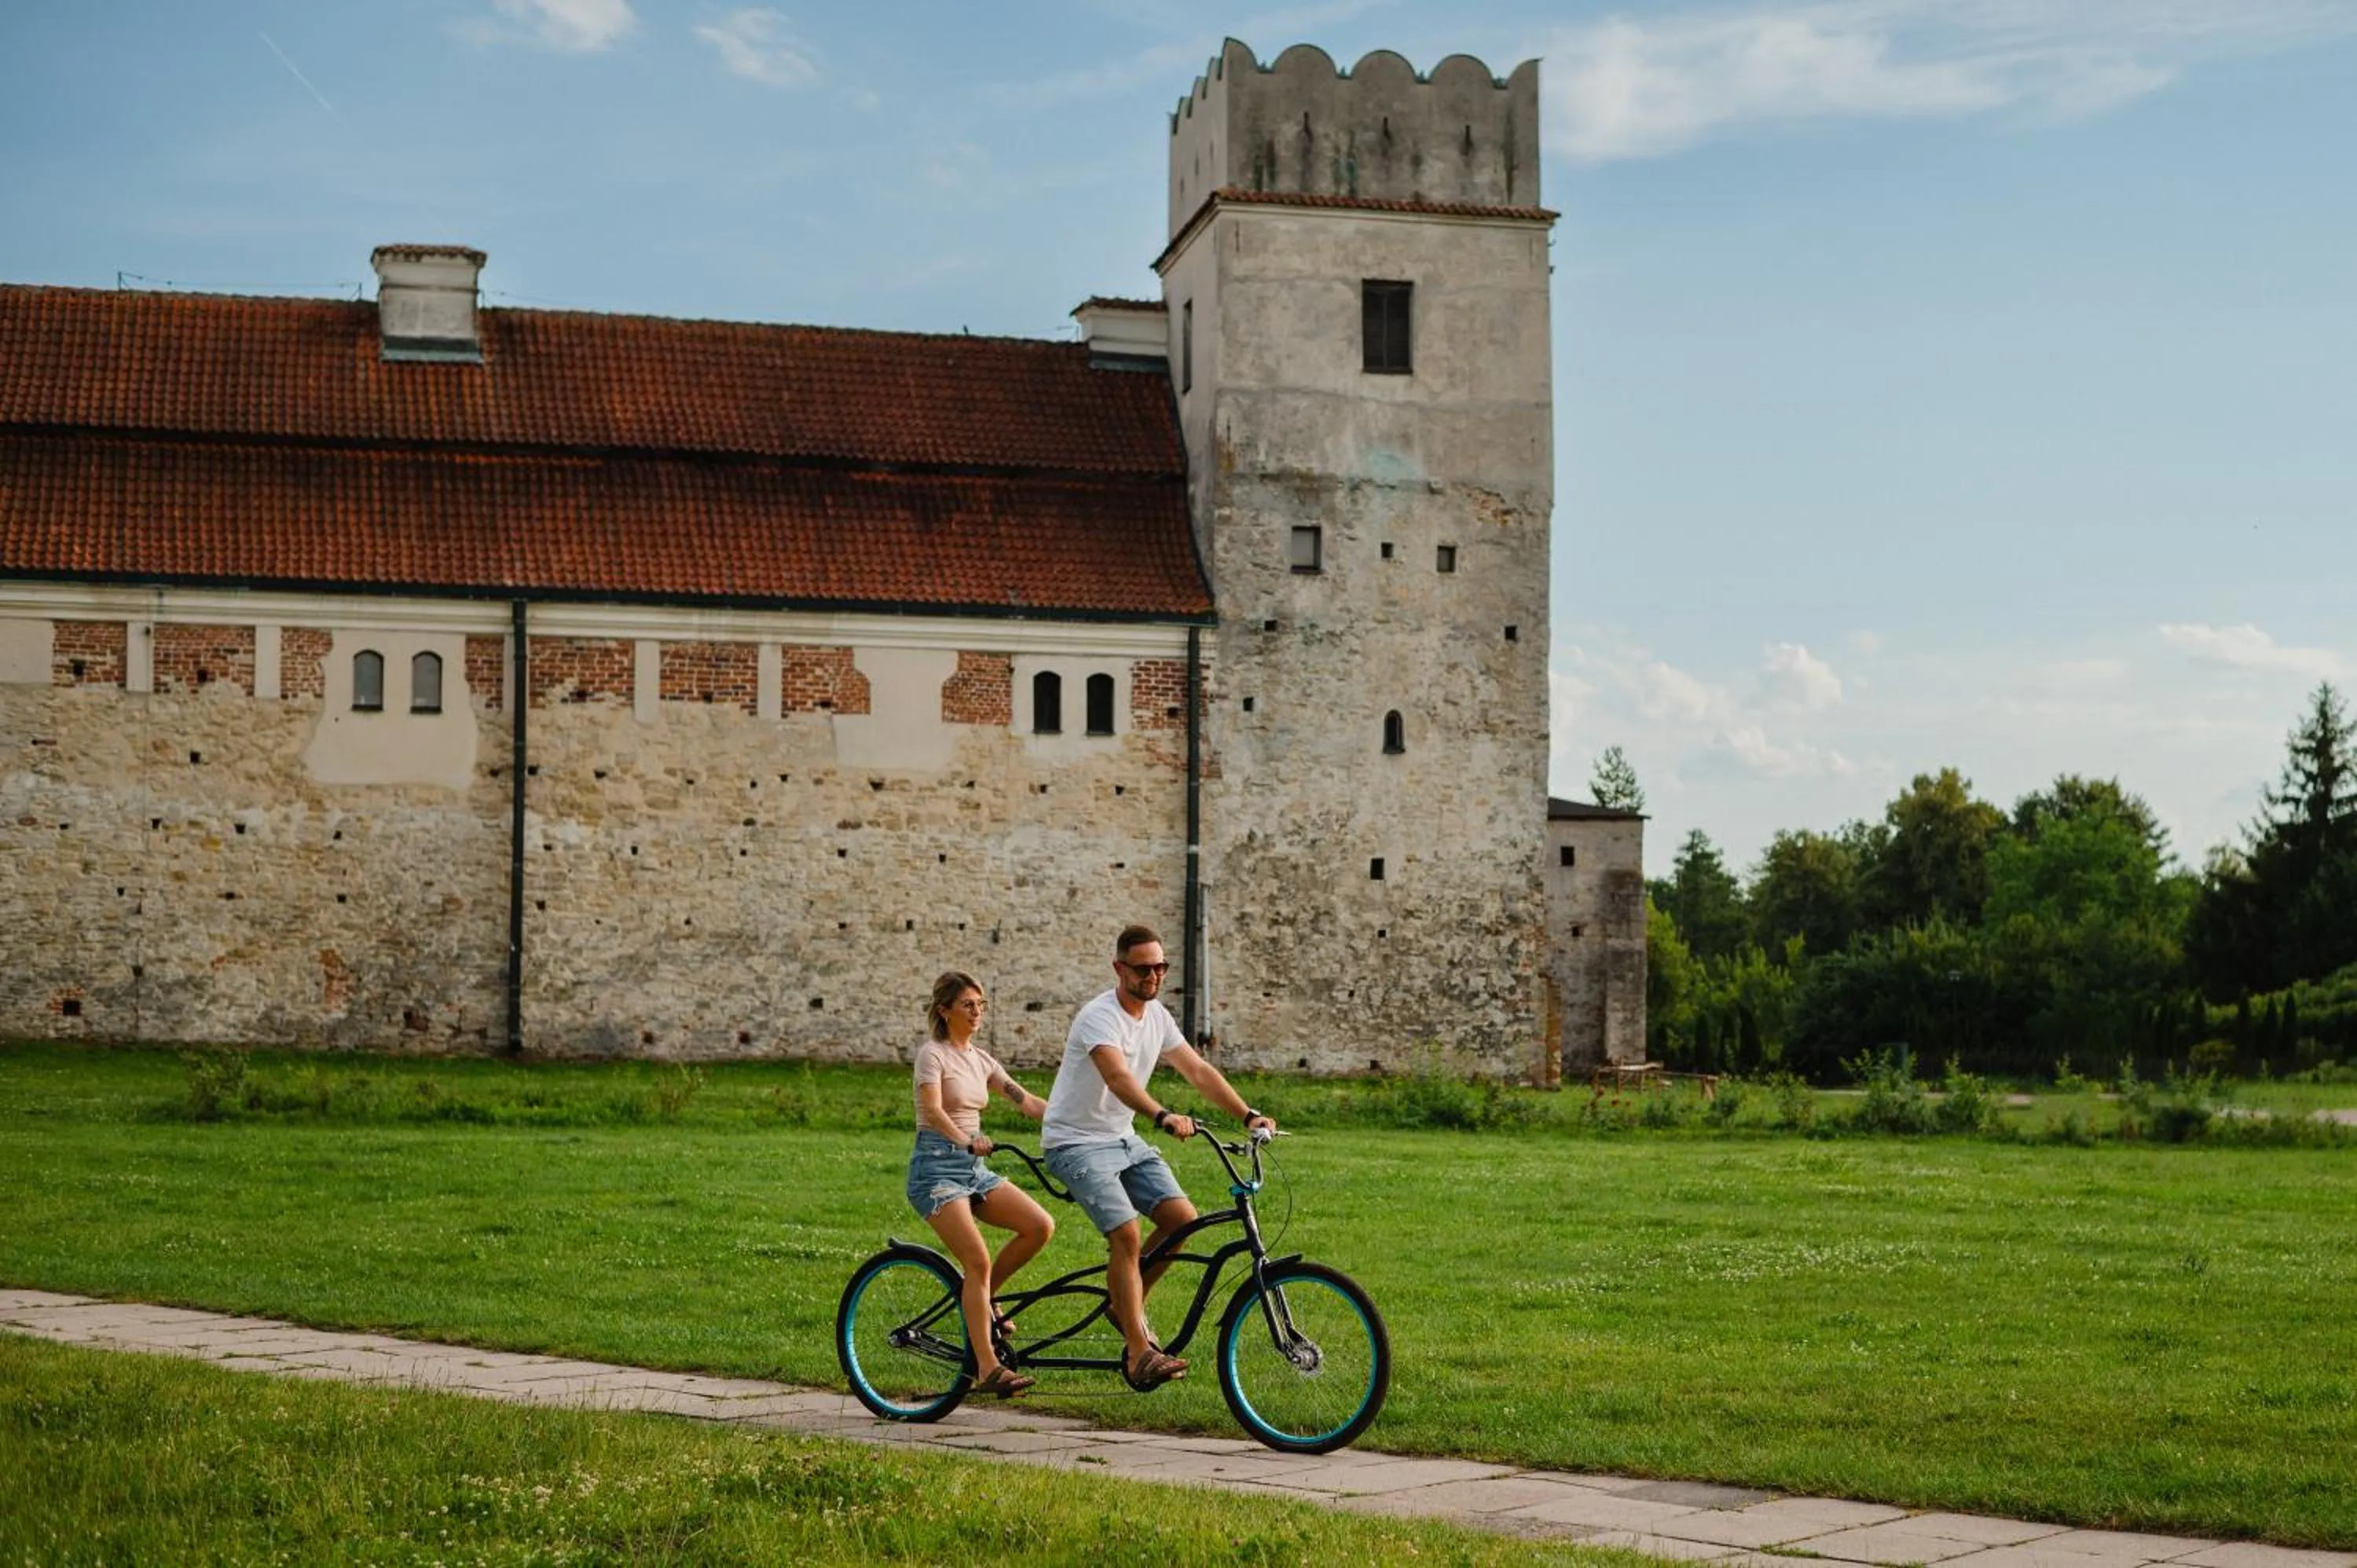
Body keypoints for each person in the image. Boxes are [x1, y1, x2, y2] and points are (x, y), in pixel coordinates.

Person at [1041, 925, 1276, 1388]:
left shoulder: (1159, 1018)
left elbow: (1198, 1070)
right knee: (1127, 1234)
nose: (1154, 976)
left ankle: (1122, 1304)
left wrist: (1248, 1115)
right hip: (1073, 1142)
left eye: (1161, 967)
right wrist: (1161, 1114)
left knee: (1182, 1218)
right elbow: (1117, 1078)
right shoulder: (1099, 1016)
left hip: (1120, 1138)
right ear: (1119, 969)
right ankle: (1138, 1352)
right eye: (1144, 968)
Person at [907, 969, 1056, 1398]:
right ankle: (988, 1366)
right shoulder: (931, 1056)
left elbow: (1024, 1100)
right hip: (935, 1170)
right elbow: (933, 1112)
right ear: (944, 1010)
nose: (977, 1013)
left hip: (974, 1169)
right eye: (969, 1005)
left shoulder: (982, 1060)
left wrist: (1076, 1120)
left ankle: (987, 1300)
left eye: (982, 1005)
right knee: (978, 1262)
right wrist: (967, 1139)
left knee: (1038, 1226)